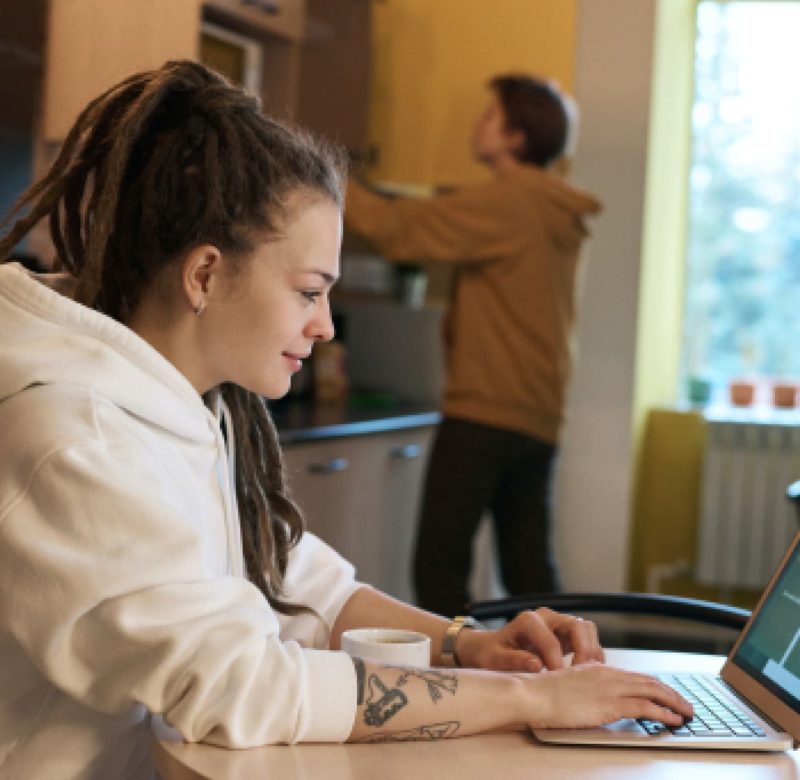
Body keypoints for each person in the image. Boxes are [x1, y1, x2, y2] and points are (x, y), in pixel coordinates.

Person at [0, 61, 689, 779]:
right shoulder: (77, 437)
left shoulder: (189, 402)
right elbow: (246, 688)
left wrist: (467, 644)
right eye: (307, 292)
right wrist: (527, 700)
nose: (326, 326)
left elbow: (296, 578)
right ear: (204, 275)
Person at [344, 74, 602, 616]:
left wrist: (319, 172)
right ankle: (565, 677)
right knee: (530, 573)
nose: (476, 123)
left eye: (490, 115)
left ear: (515, 136)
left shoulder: (511, 201)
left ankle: (458, 687)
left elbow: (399, 230)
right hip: (538, 414)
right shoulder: (553, 207)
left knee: (438, 570)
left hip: (483, 412)